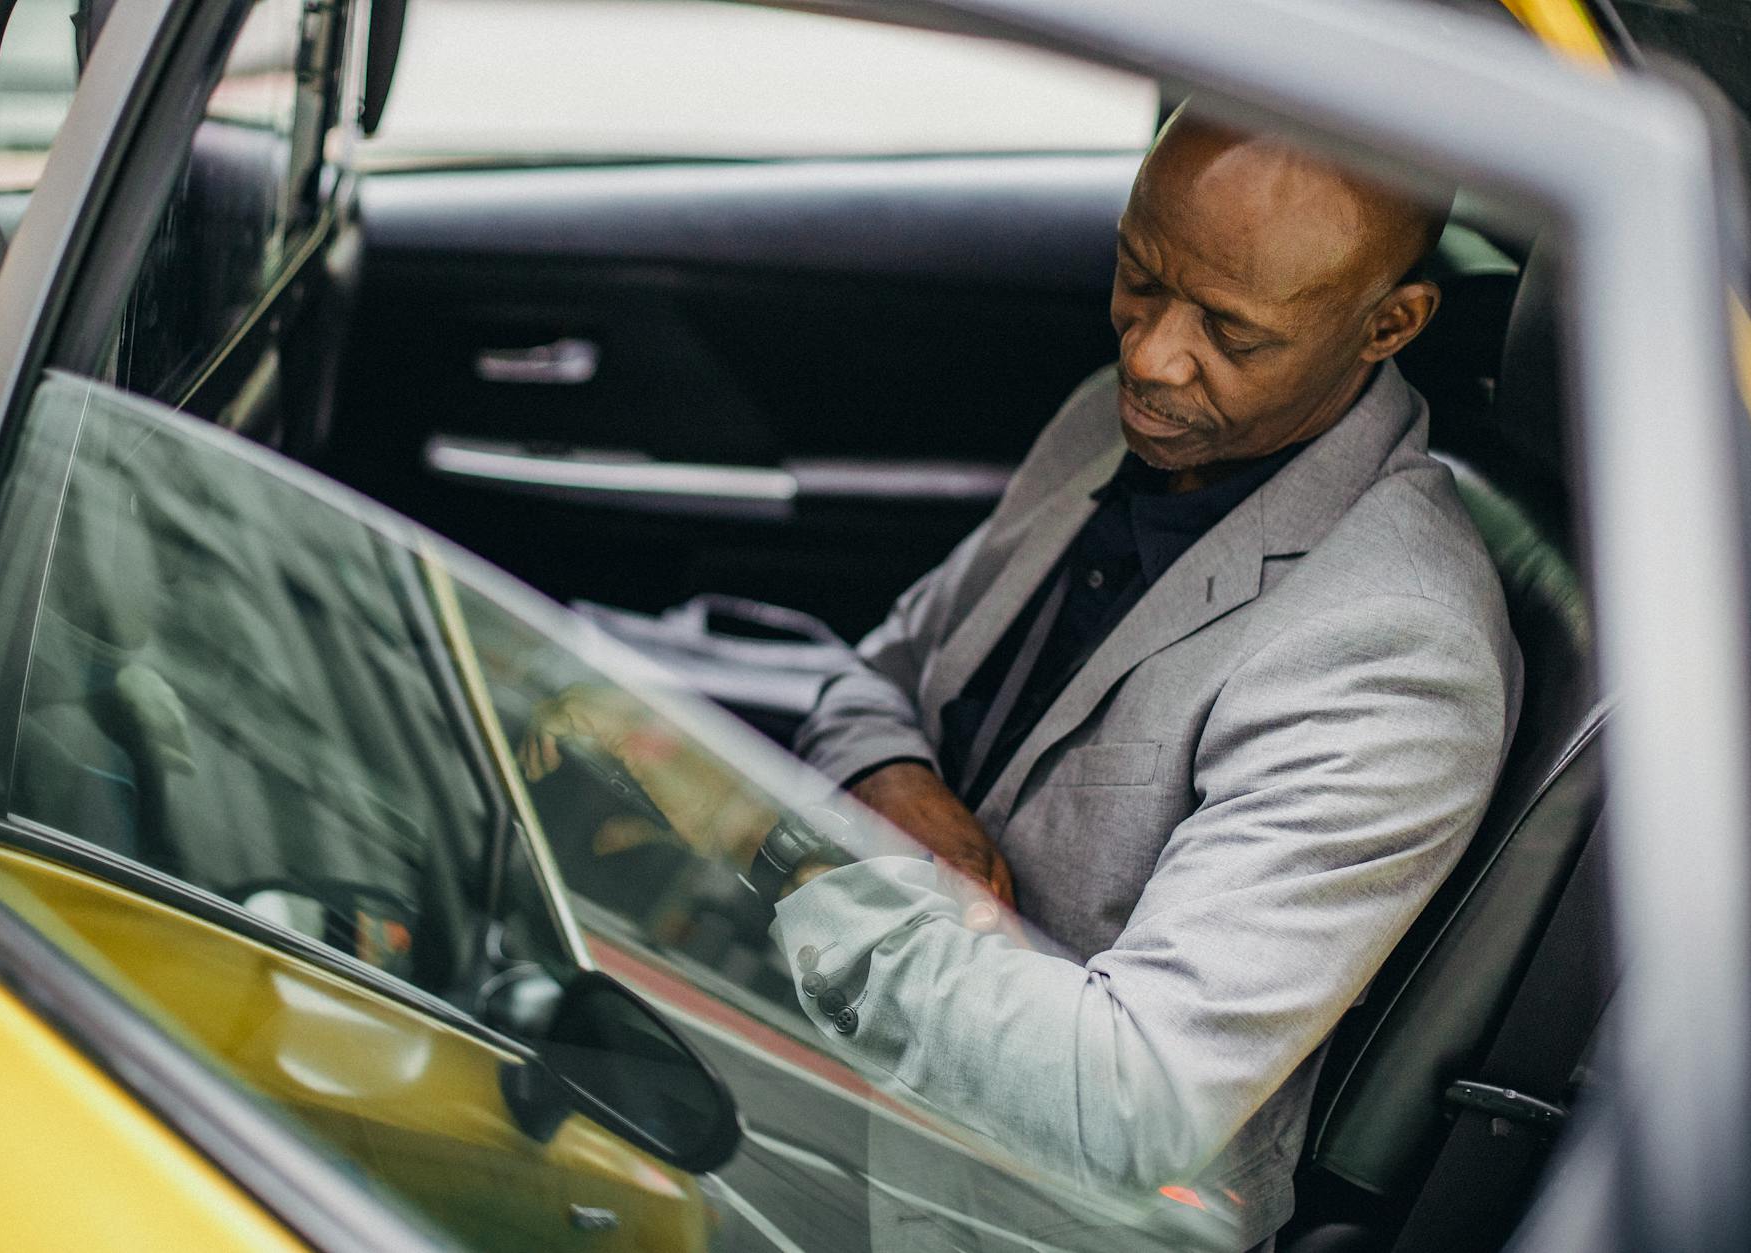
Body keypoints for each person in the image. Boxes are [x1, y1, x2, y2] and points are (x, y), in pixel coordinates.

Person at [527, 107, 1521, 1249]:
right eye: (1137, 275)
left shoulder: (1393, 645)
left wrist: (776, 836)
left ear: (1386, 323)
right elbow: (889, 663)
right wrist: (898, 784)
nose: (1147, 354)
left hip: (999, 1208)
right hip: (847, 1051)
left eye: (1231, 333)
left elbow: (1125, 1099)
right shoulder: (1124, 429)